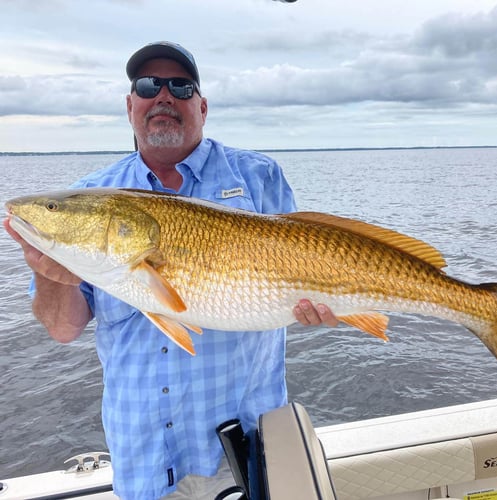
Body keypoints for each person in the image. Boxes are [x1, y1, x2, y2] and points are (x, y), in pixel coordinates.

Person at [4, 41, 338, 500]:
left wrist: (334, 304)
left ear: (202, 106)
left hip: (248, 449)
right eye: (148, 85)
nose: (163, 95)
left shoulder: (260, 175)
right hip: (145, 460)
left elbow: (310, 269)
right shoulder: (92, 192)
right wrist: (48, 273)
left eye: (181, 87)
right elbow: (63, 328)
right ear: (129, 106)